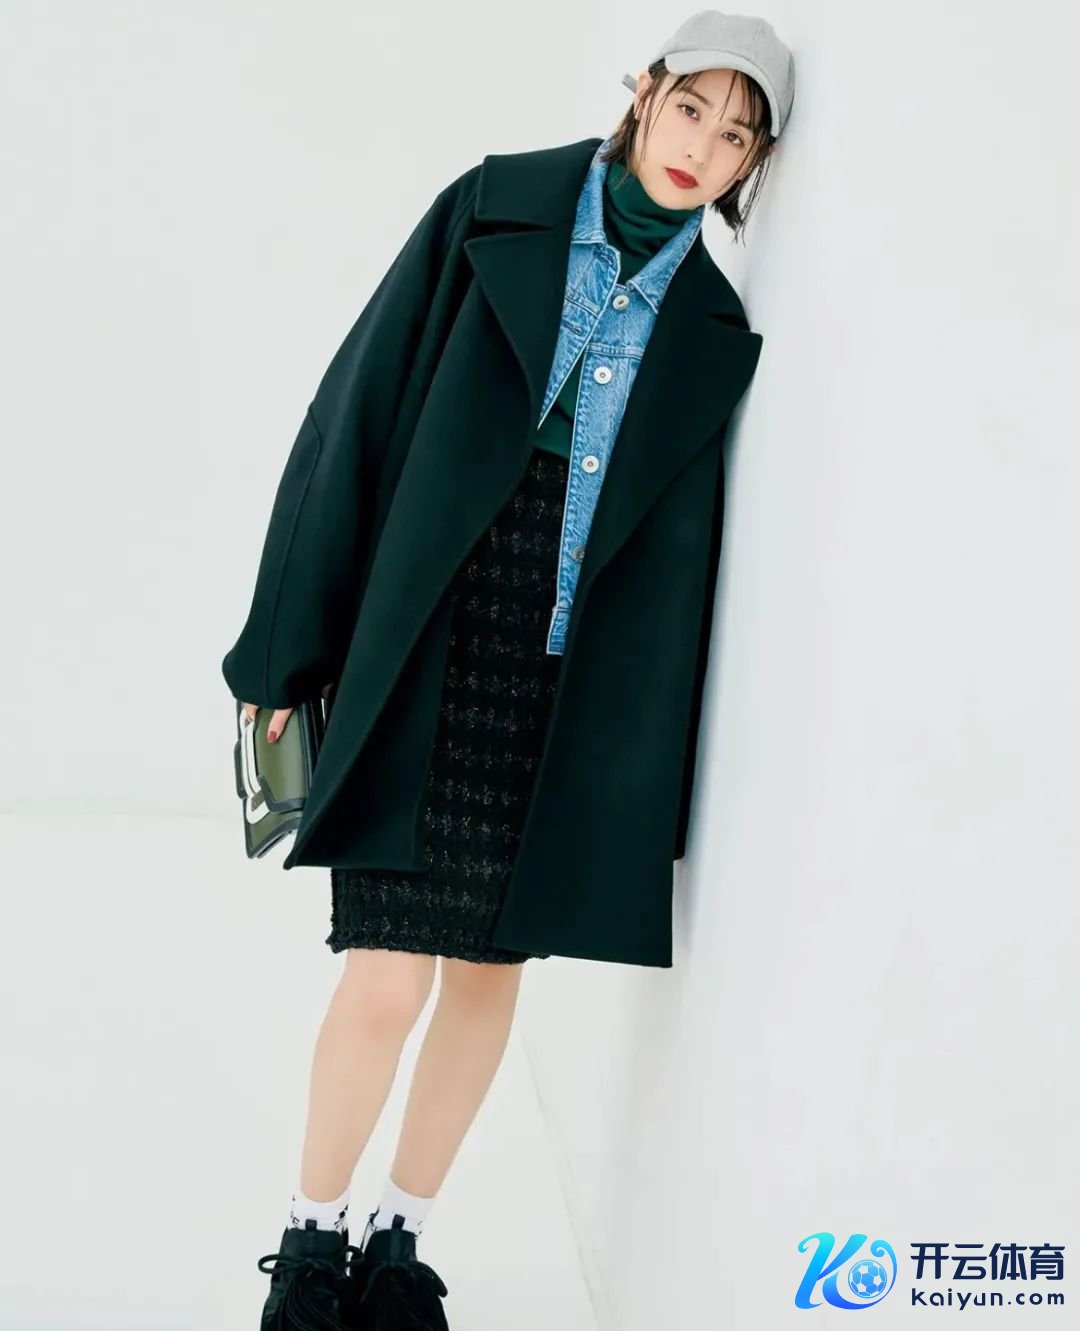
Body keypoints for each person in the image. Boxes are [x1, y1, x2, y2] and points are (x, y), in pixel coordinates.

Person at [226, 11, 796, 1328]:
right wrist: (285, 644)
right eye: (690, 109)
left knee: (488, 978)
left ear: (751, 164)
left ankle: (398, 1245)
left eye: (735, 136)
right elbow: (356, 414)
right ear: (644, 95)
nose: (701, 148)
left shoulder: (712, 324)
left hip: (553, 675)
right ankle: (308, 1247)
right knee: (386, 973)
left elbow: (674, 571)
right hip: (423, 634)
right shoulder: (495, 207)